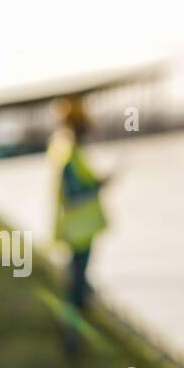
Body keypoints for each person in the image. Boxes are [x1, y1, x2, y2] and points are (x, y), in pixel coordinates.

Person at [47, 96, 110, 313]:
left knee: (76, 276)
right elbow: (73, 194)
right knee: (77, 280)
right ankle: (73, 329)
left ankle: (77, 317)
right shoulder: (70, 151)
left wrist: (96, 184)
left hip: (76, 226)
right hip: (79, 227)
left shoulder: (63, 147)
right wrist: (98, 186)